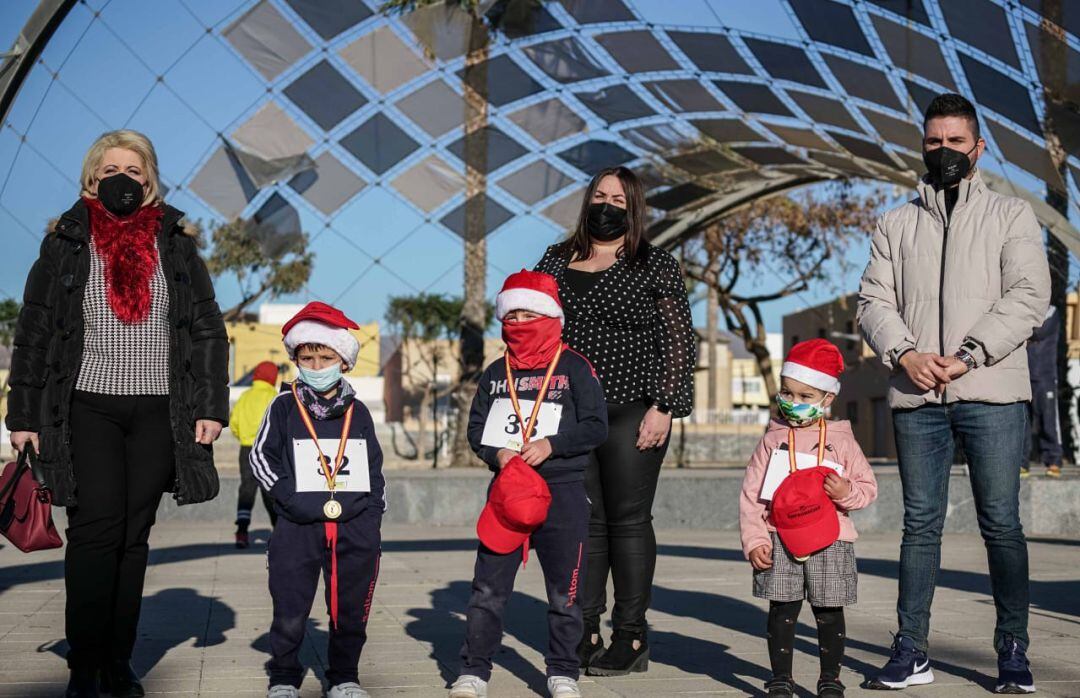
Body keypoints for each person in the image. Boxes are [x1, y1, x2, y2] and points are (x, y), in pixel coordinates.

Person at [5, 129, 228, 698]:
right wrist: (22, 415)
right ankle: (85, 663)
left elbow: (206, 329)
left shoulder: (175, 244)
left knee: (134, 535)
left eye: (132, 170)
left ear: (148, 179)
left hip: (161, 411)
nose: (121, 180)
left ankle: (117, 663)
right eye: (109, 171)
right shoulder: (66, 245)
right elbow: (33, 335)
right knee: (95, 530)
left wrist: (211, 406)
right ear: (91, 179)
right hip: (86, 406)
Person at [858, 93, 1050, 694]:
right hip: (918, 398)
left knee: (1001, 524)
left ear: (978, 148)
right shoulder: (896, 222)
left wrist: (969, 356)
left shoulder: (1012, 217)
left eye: (955, 143)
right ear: (923, 145)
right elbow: (872, 302)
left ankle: (1012, 650)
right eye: (934, 142)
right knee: (920, 526)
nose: (944, 152)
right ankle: (911, 647)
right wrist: (906, 355)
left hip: (990, 391)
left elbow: (1027, 297)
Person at [534, 166, 696, 676]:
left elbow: (678, 341)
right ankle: (584, 628)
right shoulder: (556, 260)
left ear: (634, 208)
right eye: (600, 196)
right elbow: (531, 324)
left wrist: (664, 406)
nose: (607, 205)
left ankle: (631, 636)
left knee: (627, 521)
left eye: (618, 199)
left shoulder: (655, 265)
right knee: (583, 521)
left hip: (634, 409)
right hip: (568, 412)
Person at [449, 271, 608, 698]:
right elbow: (476, 430)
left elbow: (597, 426)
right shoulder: (494, 373)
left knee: (565, 594)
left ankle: (562, 671)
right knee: (487, 590)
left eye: (528, 314)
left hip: (564, 494)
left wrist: (552, 445)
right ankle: (473, 672)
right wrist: (495, 453)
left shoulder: (575, 367)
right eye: (511, 315)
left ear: (550, 316)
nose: (519, 322)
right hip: (507, 496)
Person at [250, 301, 384, 698]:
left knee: (349, 610)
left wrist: (372, 516)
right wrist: (289, 500)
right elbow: (260, 457)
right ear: (296, 358)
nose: (316, 363)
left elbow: (375, 469)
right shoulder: (284, 405)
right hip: (298, 526)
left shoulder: (358, 411)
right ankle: (284, 677)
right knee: (290, 609)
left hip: (354, 527)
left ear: (343, 360)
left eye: (325, 356)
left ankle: (344, 677)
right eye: (307, 356)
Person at [740, 340, 878, 697]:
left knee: (829, 610)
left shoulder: (842, 440)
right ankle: (780, 678)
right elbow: (751, 493)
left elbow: (867, 487)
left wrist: (845, 492)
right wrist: (755, 539)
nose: (792, 400)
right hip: (778, 537)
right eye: (787, 392)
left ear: (826, 398)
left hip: (832, 539)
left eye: (805, 394)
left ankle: (830, 677)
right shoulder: (772, 439)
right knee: (782, 609)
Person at [229, 360, 281, 547]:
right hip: (268, 451)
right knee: (271, 490)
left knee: (247, 490)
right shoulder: (275, 397)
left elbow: (234, 423)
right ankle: (280, 531)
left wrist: (244, 436)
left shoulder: (245, 396)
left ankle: (242, 532)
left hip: (246, 449)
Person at [1023, 307, 1062, 478]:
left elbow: (1038, 332)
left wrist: (1020, 326)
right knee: (1023, 423)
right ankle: (1021, 463)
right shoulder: (1025, 308)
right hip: (1024, 376)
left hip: (1045, 376)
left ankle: (1053, 460)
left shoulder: (1052, 311)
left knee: (1048, 420)